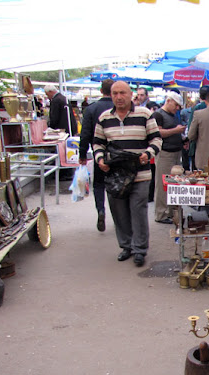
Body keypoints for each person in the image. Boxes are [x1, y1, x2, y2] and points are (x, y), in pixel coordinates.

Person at [92, 81, 162, 267]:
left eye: (122, 93)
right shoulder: (104, 118)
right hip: (115, 175)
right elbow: (98, 143)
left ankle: (140, 249)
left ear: (131, 94)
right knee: (119, 211)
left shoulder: (145, 114)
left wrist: (148, 154)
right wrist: (100, 160)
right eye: (115, 93)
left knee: (138, 210)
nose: (119, 97)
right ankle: (126, 246)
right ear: (111, 95)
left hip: (140, 173)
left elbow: (156, 139)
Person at [79, 79, 115, 232]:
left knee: (99, 184)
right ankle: (118, 217)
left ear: (101, 91)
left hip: (98, 153)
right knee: (117, 185)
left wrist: (82, 154)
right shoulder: (119, 107)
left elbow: (85, 133)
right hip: (117, 153)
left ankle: (101, 210)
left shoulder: (92, 109)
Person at [152, 91, 184, 224]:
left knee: (173, 184)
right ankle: (161, 213)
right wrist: (176, 131)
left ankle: (170, 212)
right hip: (165, 153)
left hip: (176, 152)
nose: (177, 108)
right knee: (162, 184)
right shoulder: (158, 114)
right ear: (169, 101)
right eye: (176, 105)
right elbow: (158, 132)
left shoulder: (174, 115)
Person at [187, 85, 209, 171]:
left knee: (199, 175)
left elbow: (191, 131)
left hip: (199, 147)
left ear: (200, 96)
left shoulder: (197, 108)